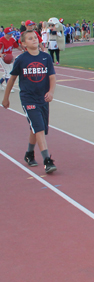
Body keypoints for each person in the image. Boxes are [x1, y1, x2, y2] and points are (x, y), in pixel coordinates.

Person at [2, 30, 57, 174]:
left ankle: (29, 153)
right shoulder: (21, 59)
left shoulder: (46, 58)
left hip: (43, 98)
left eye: (35, 37)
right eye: (30, 38)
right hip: (28, 98)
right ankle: (47, 160)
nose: (34, 40)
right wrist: (6, 97)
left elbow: (52, 77)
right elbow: (12, 79)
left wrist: (51, 92)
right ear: (24, 44)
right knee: (38, 127)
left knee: (38, 127)